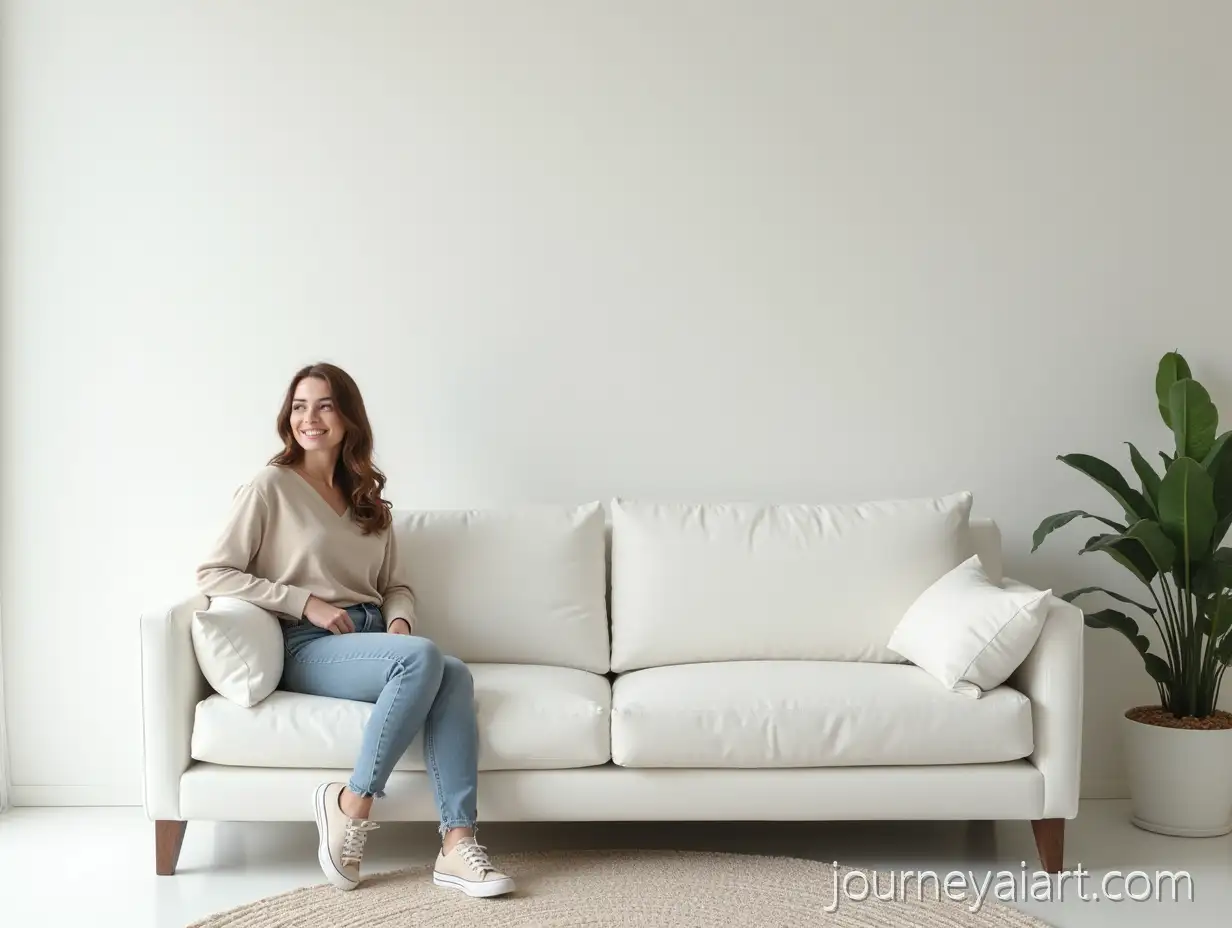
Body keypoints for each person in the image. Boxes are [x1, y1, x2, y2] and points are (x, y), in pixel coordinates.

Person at [195, 362, 515, 897]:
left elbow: (396, 585)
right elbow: (214, 572)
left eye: (324, 406)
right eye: (299, 406)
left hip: (371, 638)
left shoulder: (370, 501)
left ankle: (457, 844)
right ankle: (352, 803)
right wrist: (304, 602)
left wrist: (399, 621)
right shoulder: (269, 486)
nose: (310, 418)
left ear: (348, 419)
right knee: (425, 659)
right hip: (306, 643)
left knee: (453, 673)